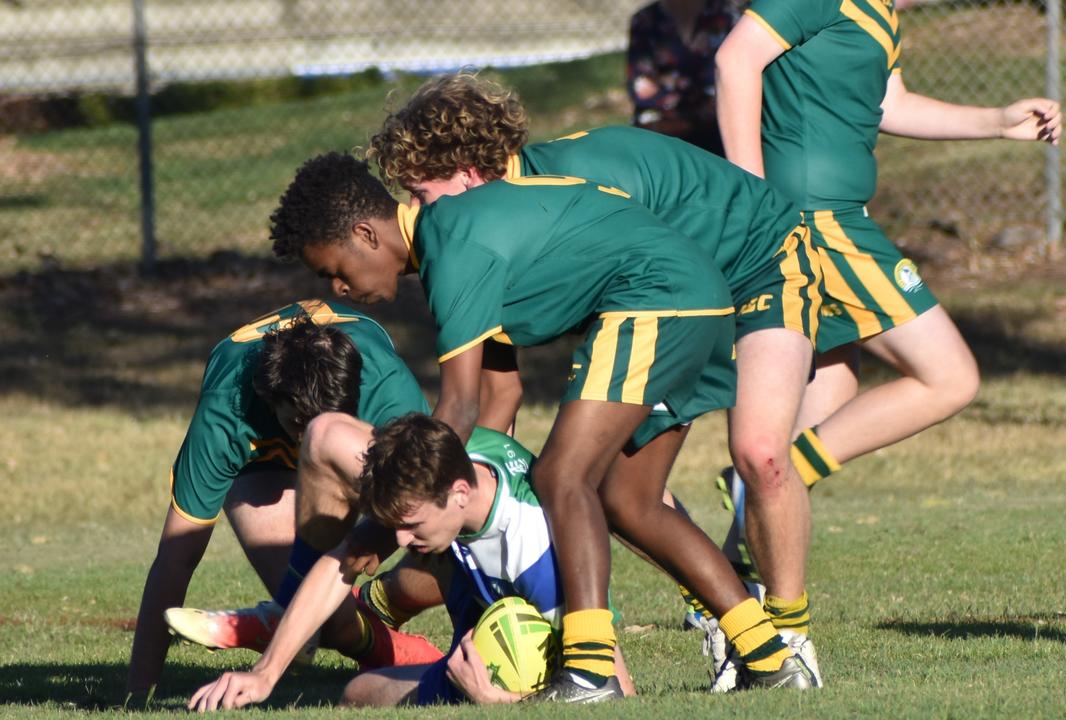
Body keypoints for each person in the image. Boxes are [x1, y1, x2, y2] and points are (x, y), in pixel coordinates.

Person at [267, 152, 815, 701]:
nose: (337, 288)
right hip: (697, 298)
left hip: (657, 300)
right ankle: (771, 658)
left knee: (561, 477)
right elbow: (500, 390)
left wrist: (382, 523)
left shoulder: (451, 249)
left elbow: (457, 408)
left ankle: (588, 670)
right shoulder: (456, 237)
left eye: (333, 269)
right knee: (630, 501)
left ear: (365, 233)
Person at [367, 72, 824, 678]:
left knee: (758, 452)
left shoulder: (557, 189)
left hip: (766, 259)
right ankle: (746, 636)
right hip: (684, 294)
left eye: (422, 195)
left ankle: (789, 639)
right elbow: (497, 395)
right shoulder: (497, 221)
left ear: (469, 174)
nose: (418, 215)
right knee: (617, 490)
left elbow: (653, 265)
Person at [714, 0, 1063, 686]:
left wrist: (998, 122)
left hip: (834, 219)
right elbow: (735, 59)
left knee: (824, 406)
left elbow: (890, 103)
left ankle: (743, 599)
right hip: (815, 224)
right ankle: (770, 503)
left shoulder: (880, 12)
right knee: (950, 377)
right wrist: (750, 195)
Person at [186, 413, 637, 710]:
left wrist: (498, 701)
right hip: (476, 626)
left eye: (412, 524)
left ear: (459, 494)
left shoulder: (532, 549)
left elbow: (617, 693)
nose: (400, 540)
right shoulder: (441, 465)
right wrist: (264, 675)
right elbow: (338, 564)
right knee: (356, 692)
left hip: (523, 672)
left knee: (362, 692)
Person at [126, 301, 439, 699]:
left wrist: (367, 540)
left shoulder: (387, 390)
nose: (311, 440)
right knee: (317, 618)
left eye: (325, 420)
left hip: (360, 444)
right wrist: (137, 694)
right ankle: (385, 646)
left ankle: (384, 604)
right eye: (297, 423)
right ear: (269, 396)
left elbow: (439, 501)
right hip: (265, 468)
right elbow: (176, 555)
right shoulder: (226, 413)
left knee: (434, 533)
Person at [628, 0, 742, 155]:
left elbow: (734, 83)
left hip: (718, 131)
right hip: (662, 132)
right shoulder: (645, 20)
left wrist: (670, 85)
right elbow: (640, 89)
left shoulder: (727, 16)